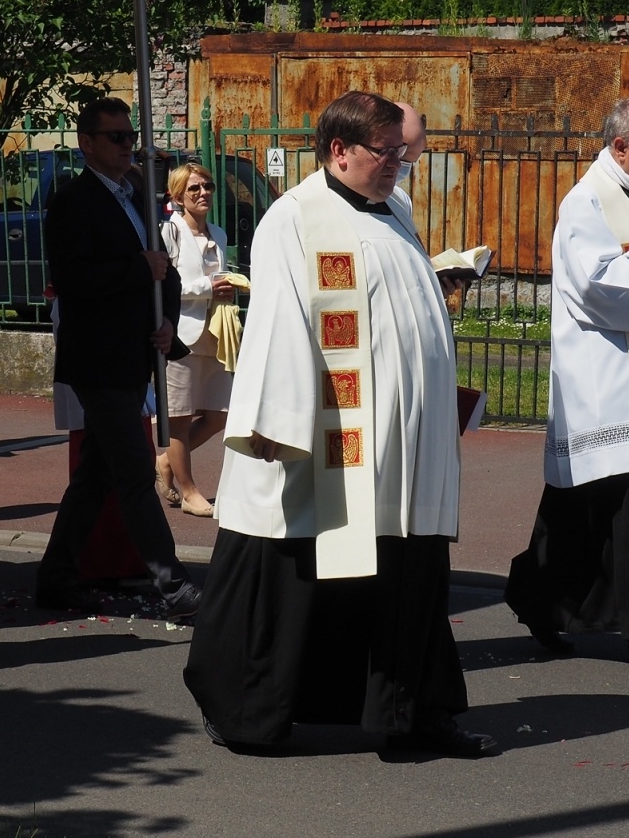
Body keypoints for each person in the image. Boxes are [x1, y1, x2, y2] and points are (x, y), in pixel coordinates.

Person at [185, 90, 494, 758]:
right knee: (292, 565)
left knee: (406, 571)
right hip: (325, 437)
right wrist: (276, 422)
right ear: (338, 150)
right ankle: (248, 711)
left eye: (401, 152)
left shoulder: (396, 207)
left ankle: (413, 715)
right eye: (385, 153)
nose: (397, 164)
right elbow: (278, 320)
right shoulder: (294, 218)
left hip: (402, 444)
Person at [505, 97, 629, 674]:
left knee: (591, 512)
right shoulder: (587, 202)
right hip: (610, 383)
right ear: (620, 146)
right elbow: (597, 287)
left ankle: (537, 596)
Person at [34, 96, 202, 617]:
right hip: (98, 358)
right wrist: (137, 269)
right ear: (87, 143)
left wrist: (167, 319)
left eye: (130, 136)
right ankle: (173, 584)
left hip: (134, 354)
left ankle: (56, 576)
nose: (128, 145)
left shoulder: (137, 196)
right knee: (133, 470)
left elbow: (165, 270)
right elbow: (73, 278)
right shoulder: (72, 201)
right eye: (116, 137)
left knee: (97, 474)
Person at [153, 162, 236, 517]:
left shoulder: (219, 233)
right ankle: (188, 492)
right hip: (180, 334)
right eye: (194, 188)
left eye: (208, 186)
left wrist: (228, 289)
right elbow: (165, 285)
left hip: (215, 334)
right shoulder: (168, 232)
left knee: (220, 415)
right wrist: (208, 288)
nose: (203, 193)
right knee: (180, 418)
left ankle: (165, 463)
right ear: (177, 196)